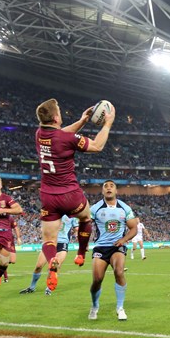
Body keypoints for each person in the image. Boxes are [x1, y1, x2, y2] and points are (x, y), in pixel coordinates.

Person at [35, 98, 114, 276]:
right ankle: (80, 254)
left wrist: (82, 121)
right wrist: (107, 124)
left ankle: (52, 261)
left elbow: (59, 134)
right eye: (60, 112)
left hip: (48, 196)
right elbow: (97, 145)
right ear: (56, 117)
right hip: (70, 194)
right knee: (85, 219)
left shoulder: (39, 134)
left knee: (48, 239)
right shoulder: (67, 138)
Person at [87, 180, 138, 321]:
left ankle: (120, 308)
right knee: (97, 279)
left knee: (119, 271)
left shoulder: (124, 208)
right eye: (106, 186)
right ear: (102, 191)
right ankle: (95, 306)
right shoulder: (95, 208)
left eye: (111, 186)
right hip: (100, 247)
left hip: (117, 246)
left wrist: (124, 240)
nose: (108, 188)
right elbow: (85, 226)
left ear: (116, 191)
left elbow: (134, 228)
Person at [19, 214, 77, 296]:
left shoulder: (71, 215)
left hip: (62, 243)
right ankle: (32, 287)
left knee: (55, 266)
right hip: (50, 243)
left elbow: (77, 228)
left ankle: (49, 288)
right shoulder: (52, 212)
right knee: (38, 266)